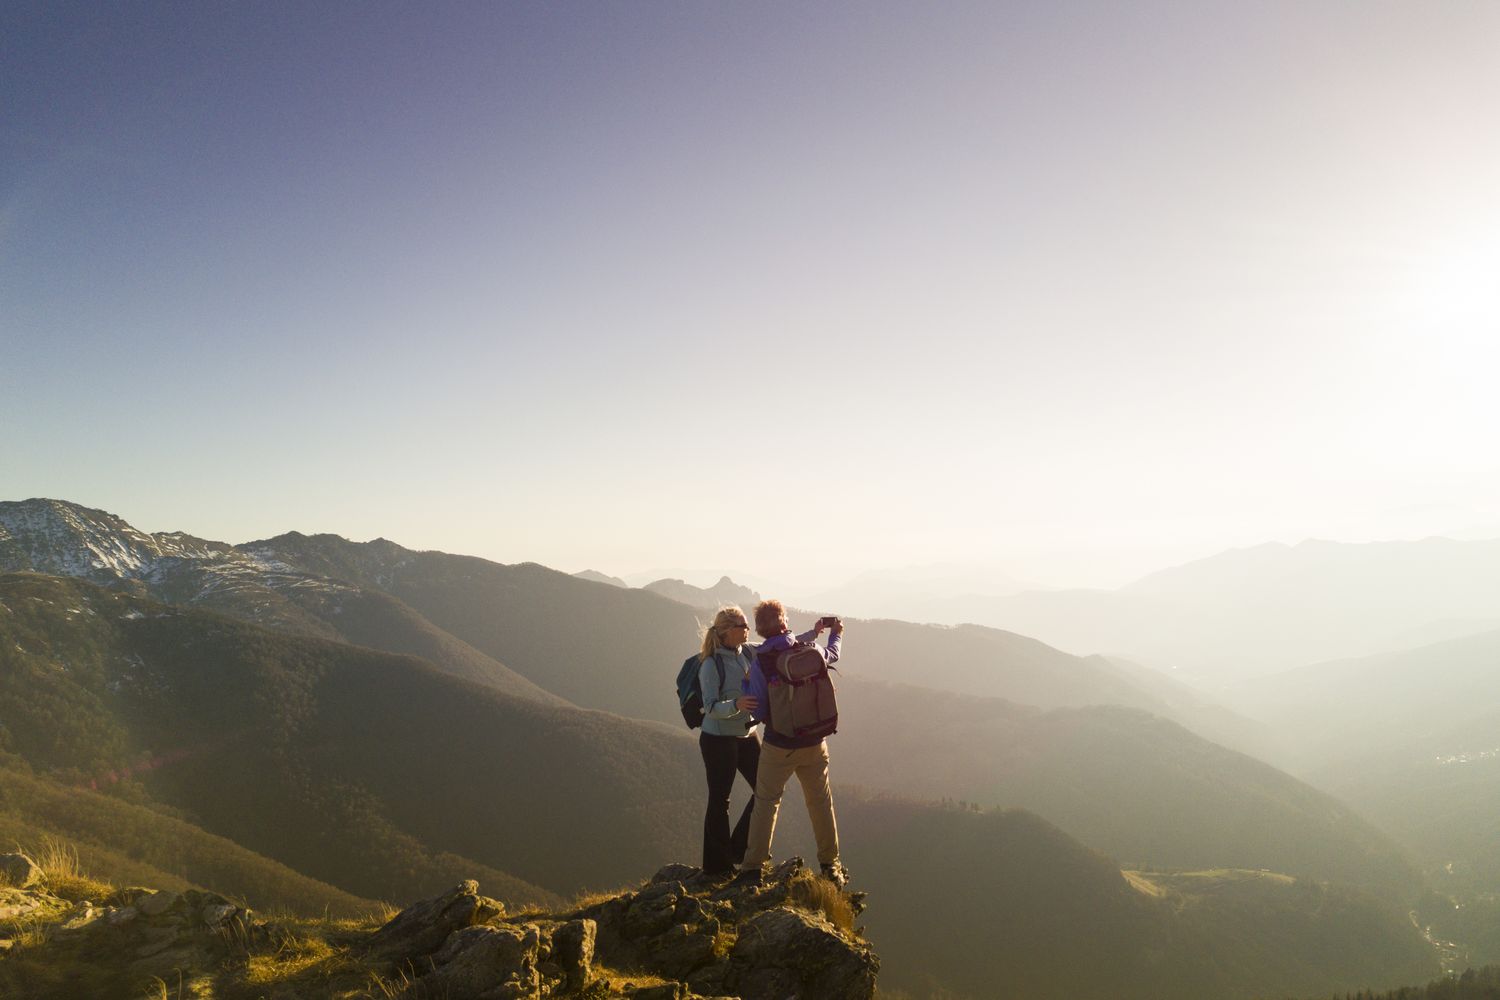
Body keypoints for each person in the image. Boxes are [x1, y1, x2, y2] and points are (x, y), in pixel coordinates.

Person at [738, 598, 849, 887]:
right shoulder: (809, 649)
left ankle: (752, 869)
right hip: (815, 742)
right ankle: (830, 865)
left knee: (766, 803)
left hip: (779, 746)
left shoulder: (762, 662)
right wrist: (836, 634)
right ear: (785, 621)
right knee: (820, 803)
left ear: (760, 631)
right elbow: (833, 655)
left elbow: (759, 709)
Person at [697, 605, 763, 877]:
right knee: (719, 800)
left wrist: (815, 633)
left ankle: (737, 849)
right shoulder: (711, 664)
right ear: (726, 631)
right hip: (718, 739)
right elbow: (710, 707)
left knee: (766, 791)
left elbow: (777, 645)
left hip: (747, 735)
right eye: (742, 626)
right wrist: (736, 704)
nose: (748, 629)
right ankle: (716, 866)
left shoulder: (747, 651)